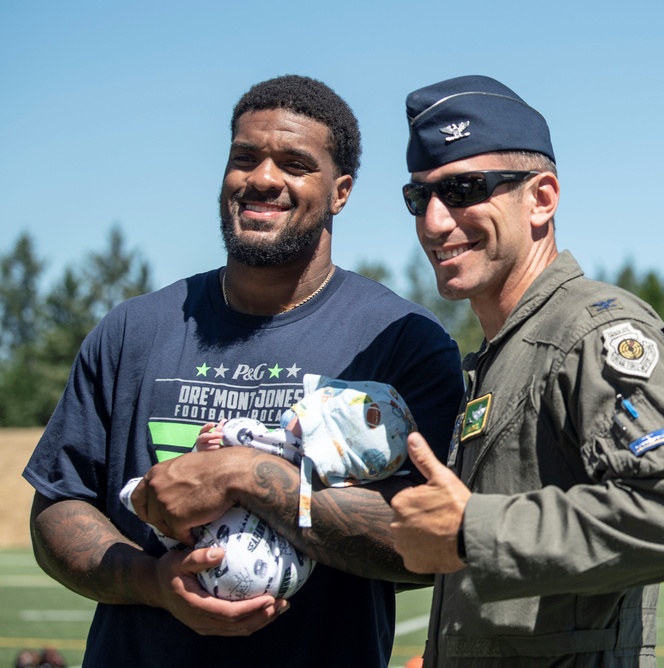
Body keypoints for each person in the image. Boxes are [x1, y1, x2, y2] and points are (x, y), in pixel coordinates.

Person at [23, 74, 464, 667]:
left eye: (294, 162)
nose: (262, 178)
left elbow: (429, 540)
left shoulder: (402, 341)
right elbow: (59, 506)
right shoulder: (133, 329)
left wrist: (249, 474)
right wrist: (153, 582)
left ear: (341, 192)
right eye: (244, 158)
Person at [389, 75, 664, 667]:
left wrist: (474, 528)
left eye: (466, 189)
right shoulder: (508, 347)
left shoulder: (591, 333)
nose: (435, 222)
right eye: (420, 198)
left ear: (542, 198)